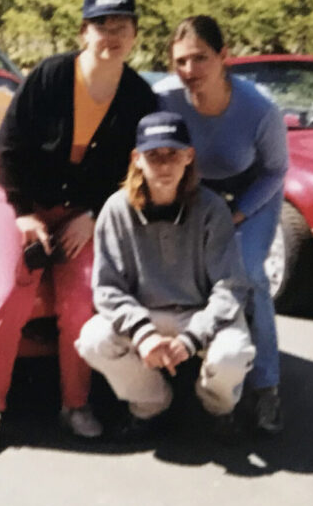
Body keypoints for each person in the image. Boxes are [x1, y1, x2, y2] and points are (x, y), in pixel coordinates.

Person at [0, 0, 159, 455]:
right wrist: (24, 214)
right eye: (102, 26)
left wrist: (92, 215)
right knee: (7, 293)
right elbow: (9, 145)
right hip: (22, 204)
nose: (112, 36)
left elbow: (137, 172)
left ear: (135, 35)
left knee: (83, 300)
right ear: (83, 32)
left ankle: (75, 405)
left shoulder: (139, 97)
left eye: (122, 27)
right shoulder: (51, 76)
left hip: (85, 215)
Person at [77, 111, 256, 437]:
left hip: (200, 313)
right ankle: (151, 403)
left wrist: (191, 338)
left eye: (173, 154)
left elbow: (230, 286)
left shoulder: (212, 208)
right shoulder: (116, 210)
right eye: (153, 155)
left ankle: (217, 407)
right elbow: (107, 288)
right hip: (146, 313)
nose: (164, 165)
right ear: (136, 158)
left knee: (232, 354)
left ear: (189, 156)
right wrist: (143, 333)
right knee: (93, 340)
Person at [158, 15, 289, 435]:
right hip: (197, 194)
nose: (190, 70)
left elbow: (275, 171)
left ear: (223, 56)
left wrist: (239, 213)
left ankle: (266, 386)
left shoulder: (258, 108)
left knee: (248, 272)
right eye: (181, 61)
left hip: (252, 194)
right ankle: (184, 368)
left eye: (200, 58)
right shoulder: (164, 98)